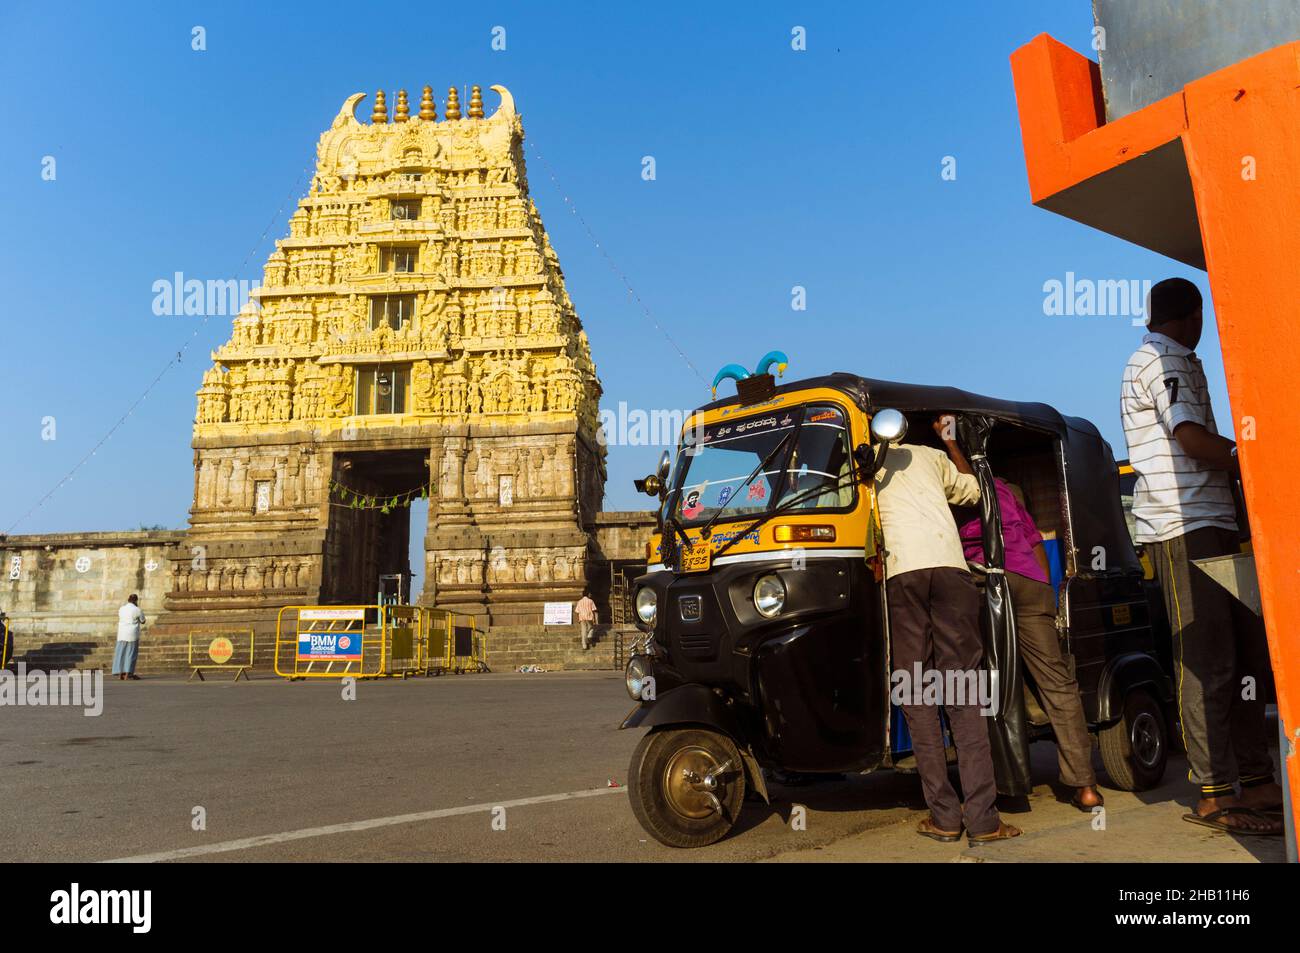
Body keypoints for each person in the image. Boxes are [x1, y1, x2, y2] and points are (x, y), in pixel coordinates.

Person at [1121, 277, 1281, 836]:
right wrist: (1249, 456)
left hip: (1212, 521)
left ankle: (1258, 779)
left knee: (1243, 660)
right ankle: (1212, 792)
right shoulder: (1160, 359)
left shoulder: (1177, 357)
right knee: (1207, 660)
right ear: (1193, 316)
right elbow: (1190, 437)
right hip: (1181, 525)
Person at [875, 414, 1020, 845]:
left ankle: (944, 818)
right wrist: (952, 442)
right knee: (962, 699)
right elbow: (975, 490)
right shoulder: (931, 456)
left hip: (902, 576)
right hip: (951, 571)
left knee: (917, 699)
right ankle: (984, 822)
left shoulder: (858, 468)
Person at [958, 478, 1103, 811]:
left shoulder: (962, 484)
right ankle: (1086, 785)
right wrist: (1045, 594)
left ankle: (998, 787)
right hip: (1031, 582)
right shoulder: (1010, 492)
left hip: (988, 579)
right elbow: (1036, 545)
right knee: (1057, 683)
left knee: (985, 682)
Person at [113, 594, 145, 681]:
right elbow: (143, 621)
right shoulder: (137, 609)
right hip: (132, 634)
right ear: (136, 601)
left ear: (128, 600)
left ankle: (120, 674)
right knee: (130, 654)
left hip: (122, 634)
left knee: (121, 654)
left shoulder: (121, 609)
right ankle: (127, 674)